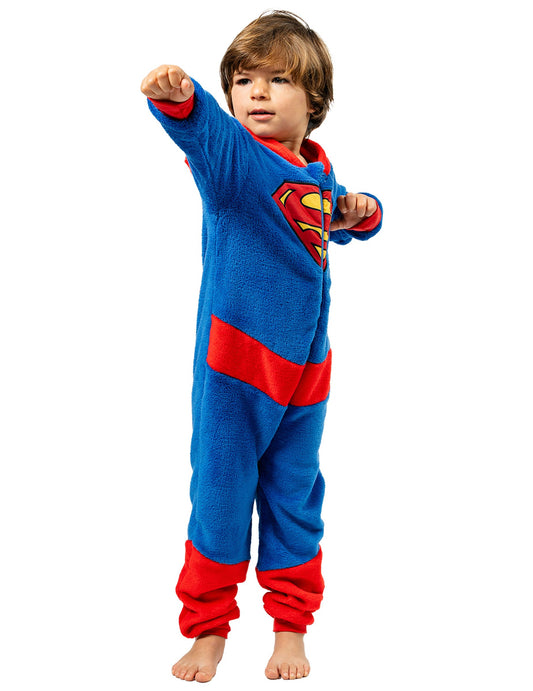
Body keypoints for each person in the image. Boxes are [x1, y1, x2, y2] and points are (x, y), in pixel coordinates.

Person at [140, 10, 383, 683]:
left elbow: (337, 213)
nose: (256, 92)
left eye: (277, 80)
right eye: (243, 80)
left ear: (314, 100)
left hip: (306, 371)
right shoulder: (233, 162)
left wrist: (362, 210)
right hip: (236, 369)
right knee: (221, 495)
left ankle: (291, 625)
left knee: (295, 496)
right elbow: (200, 126)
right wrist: (178, 96)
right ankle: (207, 631)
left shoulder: (314, 166)